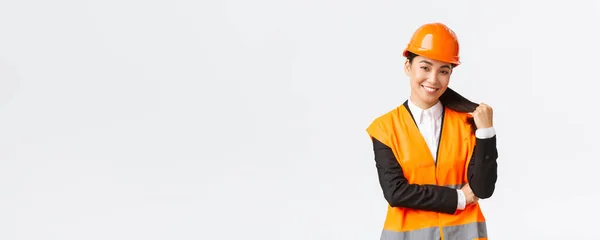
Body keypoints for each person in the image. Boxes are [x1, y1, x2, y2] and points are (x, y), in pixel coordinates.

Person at [366, 22, 498, 240]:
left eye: (443, 71)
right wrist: (459, 198)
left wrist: (486, 133)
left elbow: (483, 189)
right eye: (425, 67)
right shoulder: (385, 128)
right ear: (408, 67)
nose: (434, 79)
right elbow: (396, 192)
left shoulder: (469, 123)